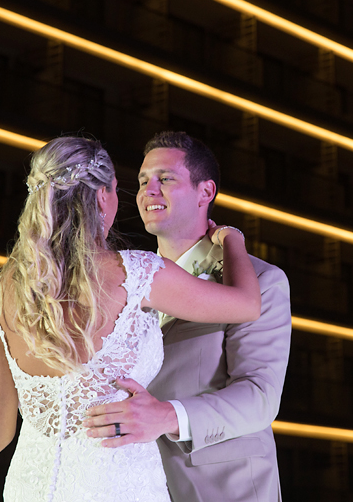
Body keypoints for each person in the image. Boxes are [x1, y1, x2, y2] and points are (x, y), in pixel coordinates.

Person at [0, 136, 261, 502]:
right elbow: (247, 304)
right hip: (118, 488)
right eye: (116, 189)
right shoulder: (137, 273)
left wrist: (5, 381)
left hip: (29, 490)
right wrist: (232, 238)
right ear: (101, 198)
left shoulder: (2, 294)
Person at [83, 132, 292, 502]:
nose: (149, 190)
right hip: (132, 481)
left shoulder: (260, 282)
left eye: (165, 179)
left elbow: (260, 396)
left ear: (204, 192)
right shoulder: (124, 282)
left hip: (225, 488)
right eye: (143, 181)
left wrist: (166, 416)